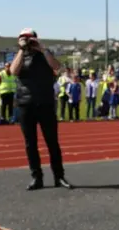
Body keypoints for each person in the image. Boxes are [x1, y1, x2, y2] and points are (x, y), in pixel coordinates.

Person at [10, 28, 73, 190]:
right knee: (30, 143)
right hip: (25, 104)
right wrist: (22, 50)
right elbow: (13, 71)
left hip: (45, 103)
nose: (29, 42)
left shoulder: (45, 54)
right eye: (25, 39)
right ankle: (36, 177)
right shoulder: (20, 55)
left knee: (52, 142)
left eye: (30, 39)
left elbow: (57, 67)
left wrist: (43, 49)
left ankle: (59, 176)